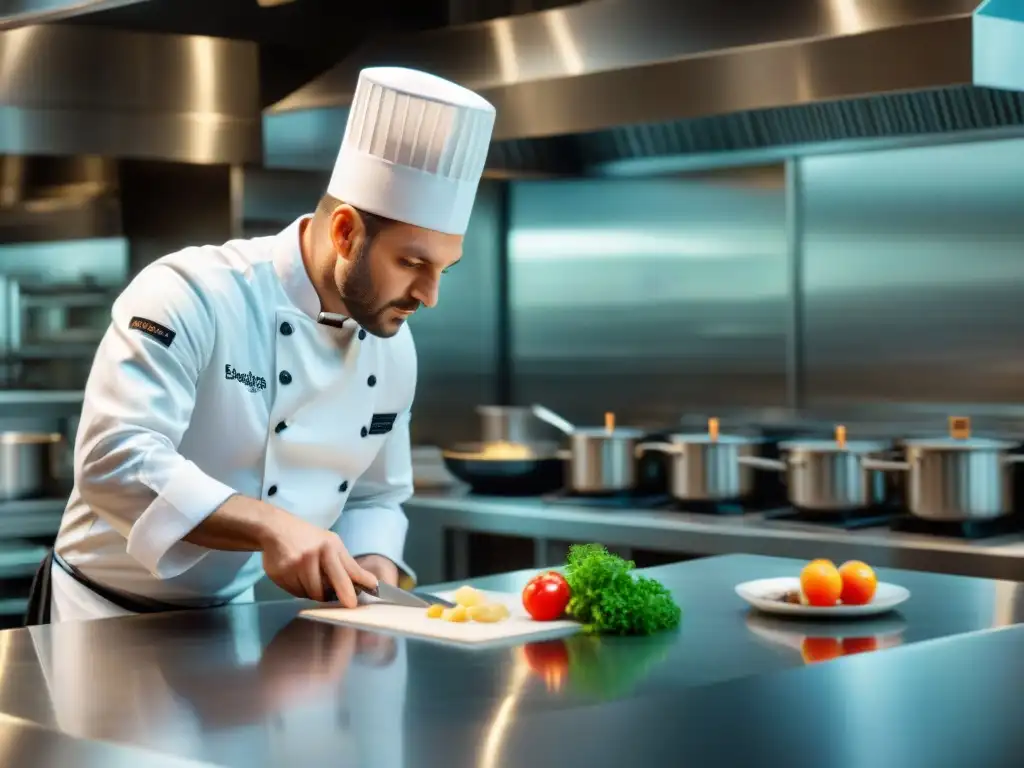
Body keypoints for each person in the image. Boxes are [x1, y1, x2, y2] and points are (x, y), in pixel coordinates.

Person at [24, 66, 496, 623]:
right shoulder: (191, 292)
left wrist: (372, 581)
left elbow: (374, 496)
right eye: (412, 263)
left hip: (230, 620)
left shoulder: (393, 346)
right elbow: (115, 459)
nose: (430, 295)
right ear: (345, 232)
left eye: (444, 269)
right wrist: (272, 526)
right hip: (99, 618)